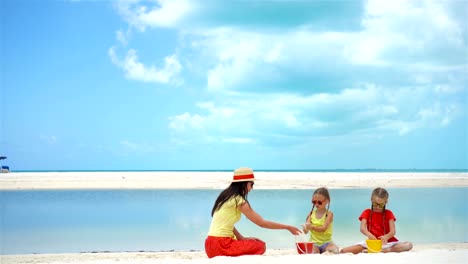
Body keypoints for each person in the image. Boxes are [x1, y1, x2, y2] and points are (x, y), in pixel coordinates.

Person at [204, 167, 301, 258]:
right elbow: (262, 223)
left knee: (252, 242)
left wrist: (242, 238)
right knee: (260, 245)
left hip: (210, 245)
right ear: (244, 183)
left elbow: (228, 224)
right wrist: (287, 227)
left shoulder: (225, 196)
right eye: (251, 184)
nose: (252, 188)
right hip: (221, 245)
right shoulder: (238, 200)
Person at [340, 187, 413, 254]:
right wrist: (369, 235)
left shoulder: (389, 213)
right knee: (344, 251)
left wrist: (386, 237)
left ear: (385, 202)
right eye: (375, 204)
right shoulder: (367, 212)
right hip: (372, 243)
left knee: (409, 245)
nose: (378, 207)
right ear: (371, 200)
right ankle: (373, 250)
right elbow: (362, 229)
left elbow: (393, 231)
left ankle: (386, 250)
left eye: (381, 205)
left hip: (388, 243)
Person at [302, 187, 339, 254]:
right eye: (314, 202)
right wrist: (305, 228)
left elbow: (323, 228)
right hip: (314, 243)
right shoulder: (311, 214)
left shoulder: (329, 214)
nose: (316, 204)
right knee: (313, 252)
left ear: (327, 201)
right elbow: (306, 231)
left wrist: (312, 227)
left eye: (319, 202)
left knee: (335, 250)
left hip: (327, 243)